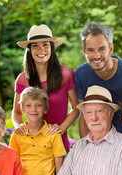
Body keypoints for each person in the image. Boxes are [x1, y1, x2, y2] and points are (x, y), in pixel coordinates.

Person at [12, 24, 79, 152]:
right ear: (29, 50)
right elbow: (16, 112)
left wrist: (61, 128)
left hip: (58, 145)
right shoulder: (22, 79)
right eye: (35, 45)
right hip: (32, 149)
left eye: (45, 45)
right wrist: (19, 126)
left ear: (51, 48)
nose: (40, 49)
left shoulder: (66, 75)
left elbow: (76, 109)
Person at [9, 87, 67, 175]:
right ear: (22, 109)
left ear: (45, 108)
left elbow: (60, 167)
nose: (34, 109)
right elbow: (13, 164)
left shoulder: (53, 134)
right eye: (28, 105)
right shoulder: (17, 135)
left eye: (38, 105)